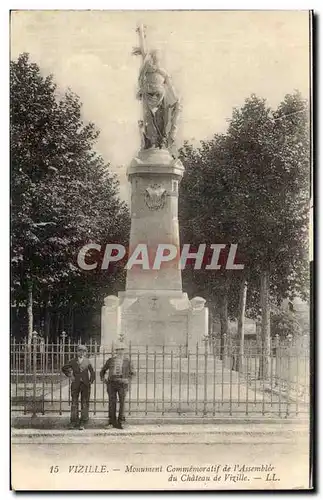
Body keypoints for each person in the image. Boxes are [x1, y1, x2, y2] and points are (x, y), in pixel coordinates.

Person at [100, 341, 135, 429]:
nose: (120, 351)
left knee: (122, 403)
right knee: (112, 403)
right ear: (116, 351)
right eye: (118, 349)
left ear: (124, 351)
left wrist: (127, 380)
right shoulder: (111, 360)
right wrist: (103, 378)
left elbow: (133, 373)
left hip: (122, 384)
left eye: (122, 350)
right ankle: (112, 422)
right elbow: (103, 370)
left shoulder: (128, 361)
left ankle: (121, 422)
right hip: (111, 383)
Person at [62, 345, 95, 430]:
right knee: (74, 403)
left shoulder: (88, 361)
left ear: (86, 353)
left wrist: (90, 381)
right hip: (75, 384)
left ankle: (83, 422)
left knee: (84, 403)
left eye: (84, 351)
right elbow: (64, 368)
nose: (81, 353)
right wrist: (70, 375)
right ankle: (73, 421)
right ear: (77, 352)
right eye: (80, 351)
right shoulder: (72, 361)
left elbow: (92, 372)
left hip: (85, 385)